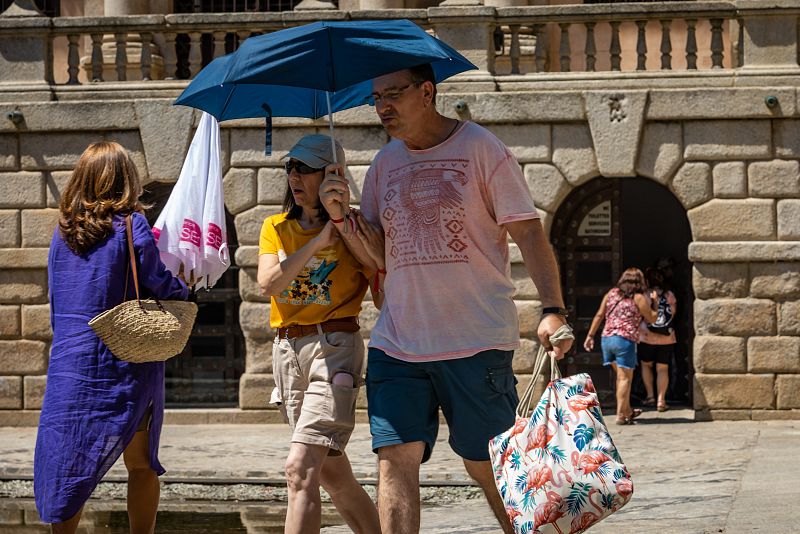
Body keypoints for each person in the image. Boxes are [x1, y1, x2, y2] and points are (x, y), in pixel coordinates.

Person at [319, 64, 573, 534]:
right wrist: (340, 218)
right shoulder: (383, 164)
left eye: (393, 94)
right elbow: (378, 257)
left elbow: (529, 233)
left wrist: (552, 309)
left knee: (486, 464)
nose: (382, 107)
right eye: (376, 98)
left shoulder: (482, 149)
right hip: (398, 342)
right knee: (394, 458)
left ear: (427, 92)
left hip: (475, 341)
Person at [34, 141, 189, 534]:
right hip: (123, 360)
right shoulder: (131, 224)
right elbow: (157, 280)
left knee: (67, 459)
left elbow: (57, 299)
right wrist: (184, 287)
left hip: (70, 362)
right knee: (141, 464)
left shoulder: (62, 234)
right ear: (125, 179)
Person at [257, 134, 380, 534]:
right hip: (287, 353)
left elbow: (381, 276)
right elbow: (269, 283)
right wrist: (317, 244)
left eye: (305, 169)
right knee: (330, 473)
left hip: (335, 350)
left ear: (332, 173)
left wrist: (342, 224)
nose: (294, 176)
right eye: (290, 167)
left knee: (299, 469)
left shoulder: (354, 226)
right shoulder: (275, 227)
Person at [583, 267, 658, 425]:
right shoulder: (638, 298)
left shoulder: (611, 294)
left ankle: (627, 411)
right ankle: (620, 415)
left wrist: (590, 335)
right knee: (625, 378)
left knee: (622, 377)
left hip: (607, 340)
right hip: (624, 340)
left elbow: (599, 315)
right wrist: (655, 304)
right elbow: (652, 318)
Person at [638, 268, 677, 412]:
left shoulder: (644, 295)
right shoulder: (669, 295)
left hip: (646, 336)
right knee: (663, 368)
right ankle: (661, 400)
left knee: (646, 365)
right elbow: (672, 314)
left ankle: (650, 397)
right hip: (667, 338)